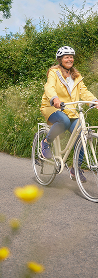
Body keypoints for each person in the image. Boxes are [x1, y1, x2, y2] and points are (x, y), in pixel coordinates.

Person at [40, 46, 98, 183]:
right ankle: (46, 142)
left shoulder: (76, 76)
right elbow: (49, 87)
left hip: (71, 110)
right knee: (63, 121)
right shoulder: (54, 72)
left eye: (71, 57)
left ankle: (75, 169)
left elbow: (84, 91)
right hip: (53, 107)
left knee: (82, 135)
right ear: (60, 60)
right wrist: (54, 98)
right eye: (66, 57)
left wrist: (94, 100)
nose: (70, 59)